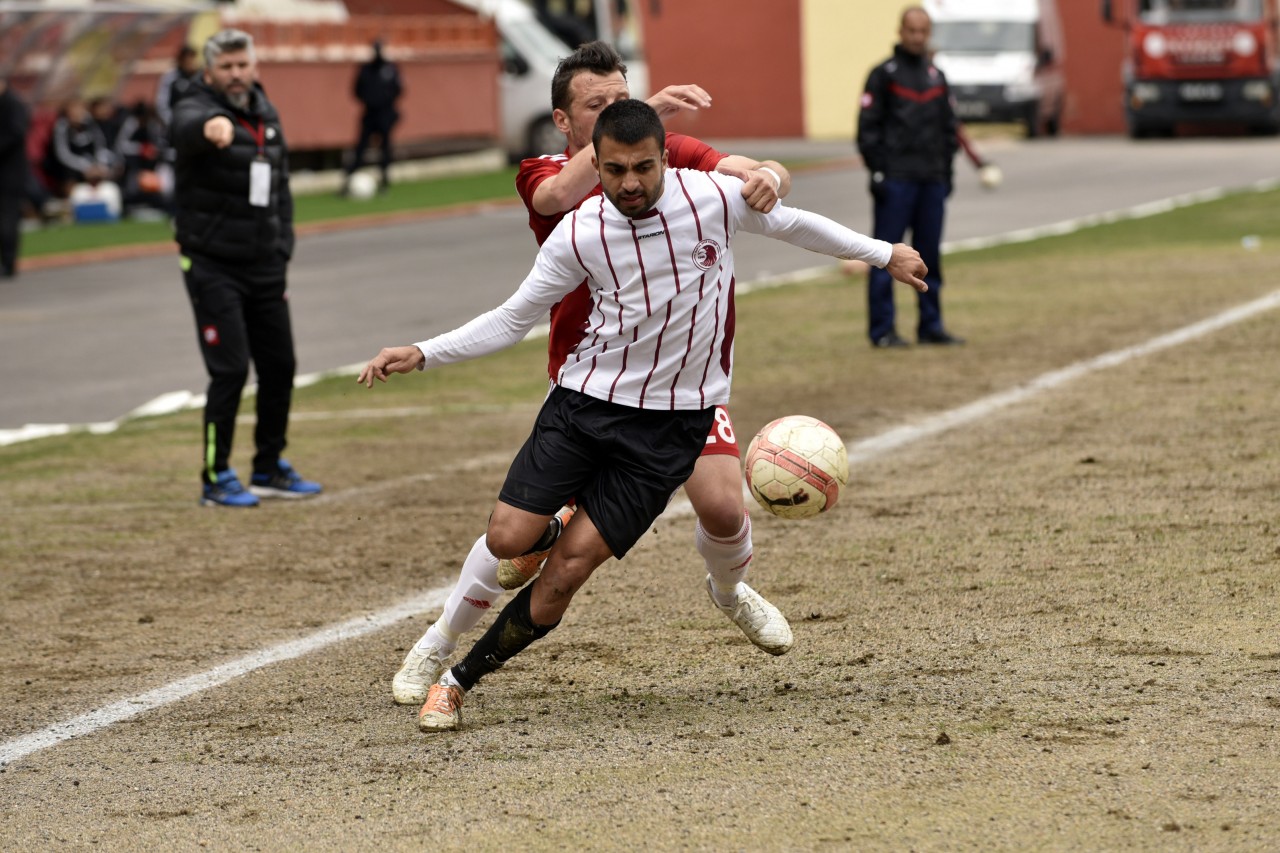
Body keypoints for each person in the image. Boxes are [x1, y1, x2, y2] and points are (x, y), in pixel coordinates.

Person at [360, 98, 928, 732]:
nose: (629, 183)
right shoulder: (581, 231)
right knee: (505, 541)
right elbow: (513, 316)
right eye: (613, 170)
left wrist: (884, 253)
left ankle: (459, 679)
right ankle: (543, 533)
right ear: (595, 165)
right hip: (583, 407)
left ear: (665, 158)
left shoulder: (711, 198)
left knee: (567, 575)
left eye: (643, 168)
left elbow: (794, 224)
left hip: (669, 430)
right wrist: (424, 351)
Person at [389, 40, 795, 708]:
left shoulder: (658, 150)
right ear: (565, 121)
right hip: (590, 387)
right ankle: (438, 639)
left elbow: (750, 173)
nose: (620, 113)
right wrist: (652, 109)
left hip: (677, 392)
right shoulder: (546, 171)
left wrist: (772, 175)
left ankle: (729, 591)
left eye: (623, 97)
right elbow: (554, 196)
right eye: (598, 105)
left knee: (724, 505)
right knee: (511, 540)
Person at [170, 29, 322, 507]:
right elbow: (186, 124)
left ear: (254, 67)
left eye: (243, 65)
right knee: (231, 368)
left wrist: (283, 244)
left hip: (265, 264)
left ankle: (267, 467)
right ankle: (216, 475)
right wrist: (211, 126)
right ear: (209, 70)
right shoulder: (193, 104)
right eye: (227, 67)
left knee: (280, 366)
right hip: (213, 264)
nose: (236, 75)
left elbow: (278, 185)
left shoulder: (263, 109)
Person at [857, 5, 964, 349]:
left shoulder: (936, 76)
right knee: (884, 255)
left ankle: (931, 325)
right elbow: (867, 130)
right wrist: (878, 172)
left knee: (929, 257)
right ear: (901, 31)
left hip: (931, 180)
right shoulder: (883, 75)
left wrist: (946, 174)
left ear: (928, 33)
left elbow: (950, 130)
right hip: (896, 180)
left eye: (923, 31)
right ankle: (883, 330)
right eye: (912, 31)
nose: (917, 37)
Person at [343, 40, 402, 194]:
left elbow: (399, 89)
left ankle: (384, 180)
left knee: (385, 148)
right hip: (369, 113)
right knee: (360, 148)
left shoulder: (390, 68)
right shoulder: (366, 69)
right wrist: (370, 100)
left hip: (385, 113)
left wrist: (385, 101)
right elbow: (357, 90)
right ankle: (348, 179)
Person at [0, 78, 32, 278]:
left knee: (7, 218)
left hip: (10, 172)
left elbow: (17, 133)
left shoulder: (13, 103)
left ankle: (8, 263)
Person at [156, 45, 201, 129]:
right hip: (176, 124)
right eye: (188, 59)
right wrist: (172, 123)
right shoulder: (170, 78)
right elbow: (161, 104)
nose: (191, 63)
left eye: (193, 58)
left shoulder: (199, 78)